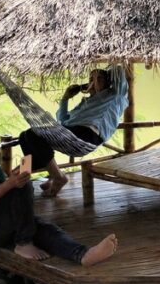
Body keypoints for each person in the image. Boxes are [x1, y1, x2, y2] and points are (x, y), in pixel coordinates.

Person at [0, 116, 118, 264]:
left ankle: (83, 255)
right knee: (20, 188)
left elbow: (0, 187)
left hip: (6, 221)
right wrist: (10, 183)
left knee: (45, 228)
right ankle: (23, 243)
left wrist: (12, 178)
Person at [18, 66, 130, 196]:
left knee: (33, 134)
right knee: (24, 136)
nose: (93, 82)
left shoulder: (114, 96)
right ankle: (24, 174)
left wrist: (113, 59)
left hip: (88, 135)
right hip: (71, 132)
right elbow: (63, 120)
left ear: (108, 83)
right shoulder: (85, 103)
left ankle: (57, 177)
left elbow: (119, 71)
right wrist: (65, 98)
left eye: (99, 79)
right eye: (91, 79)